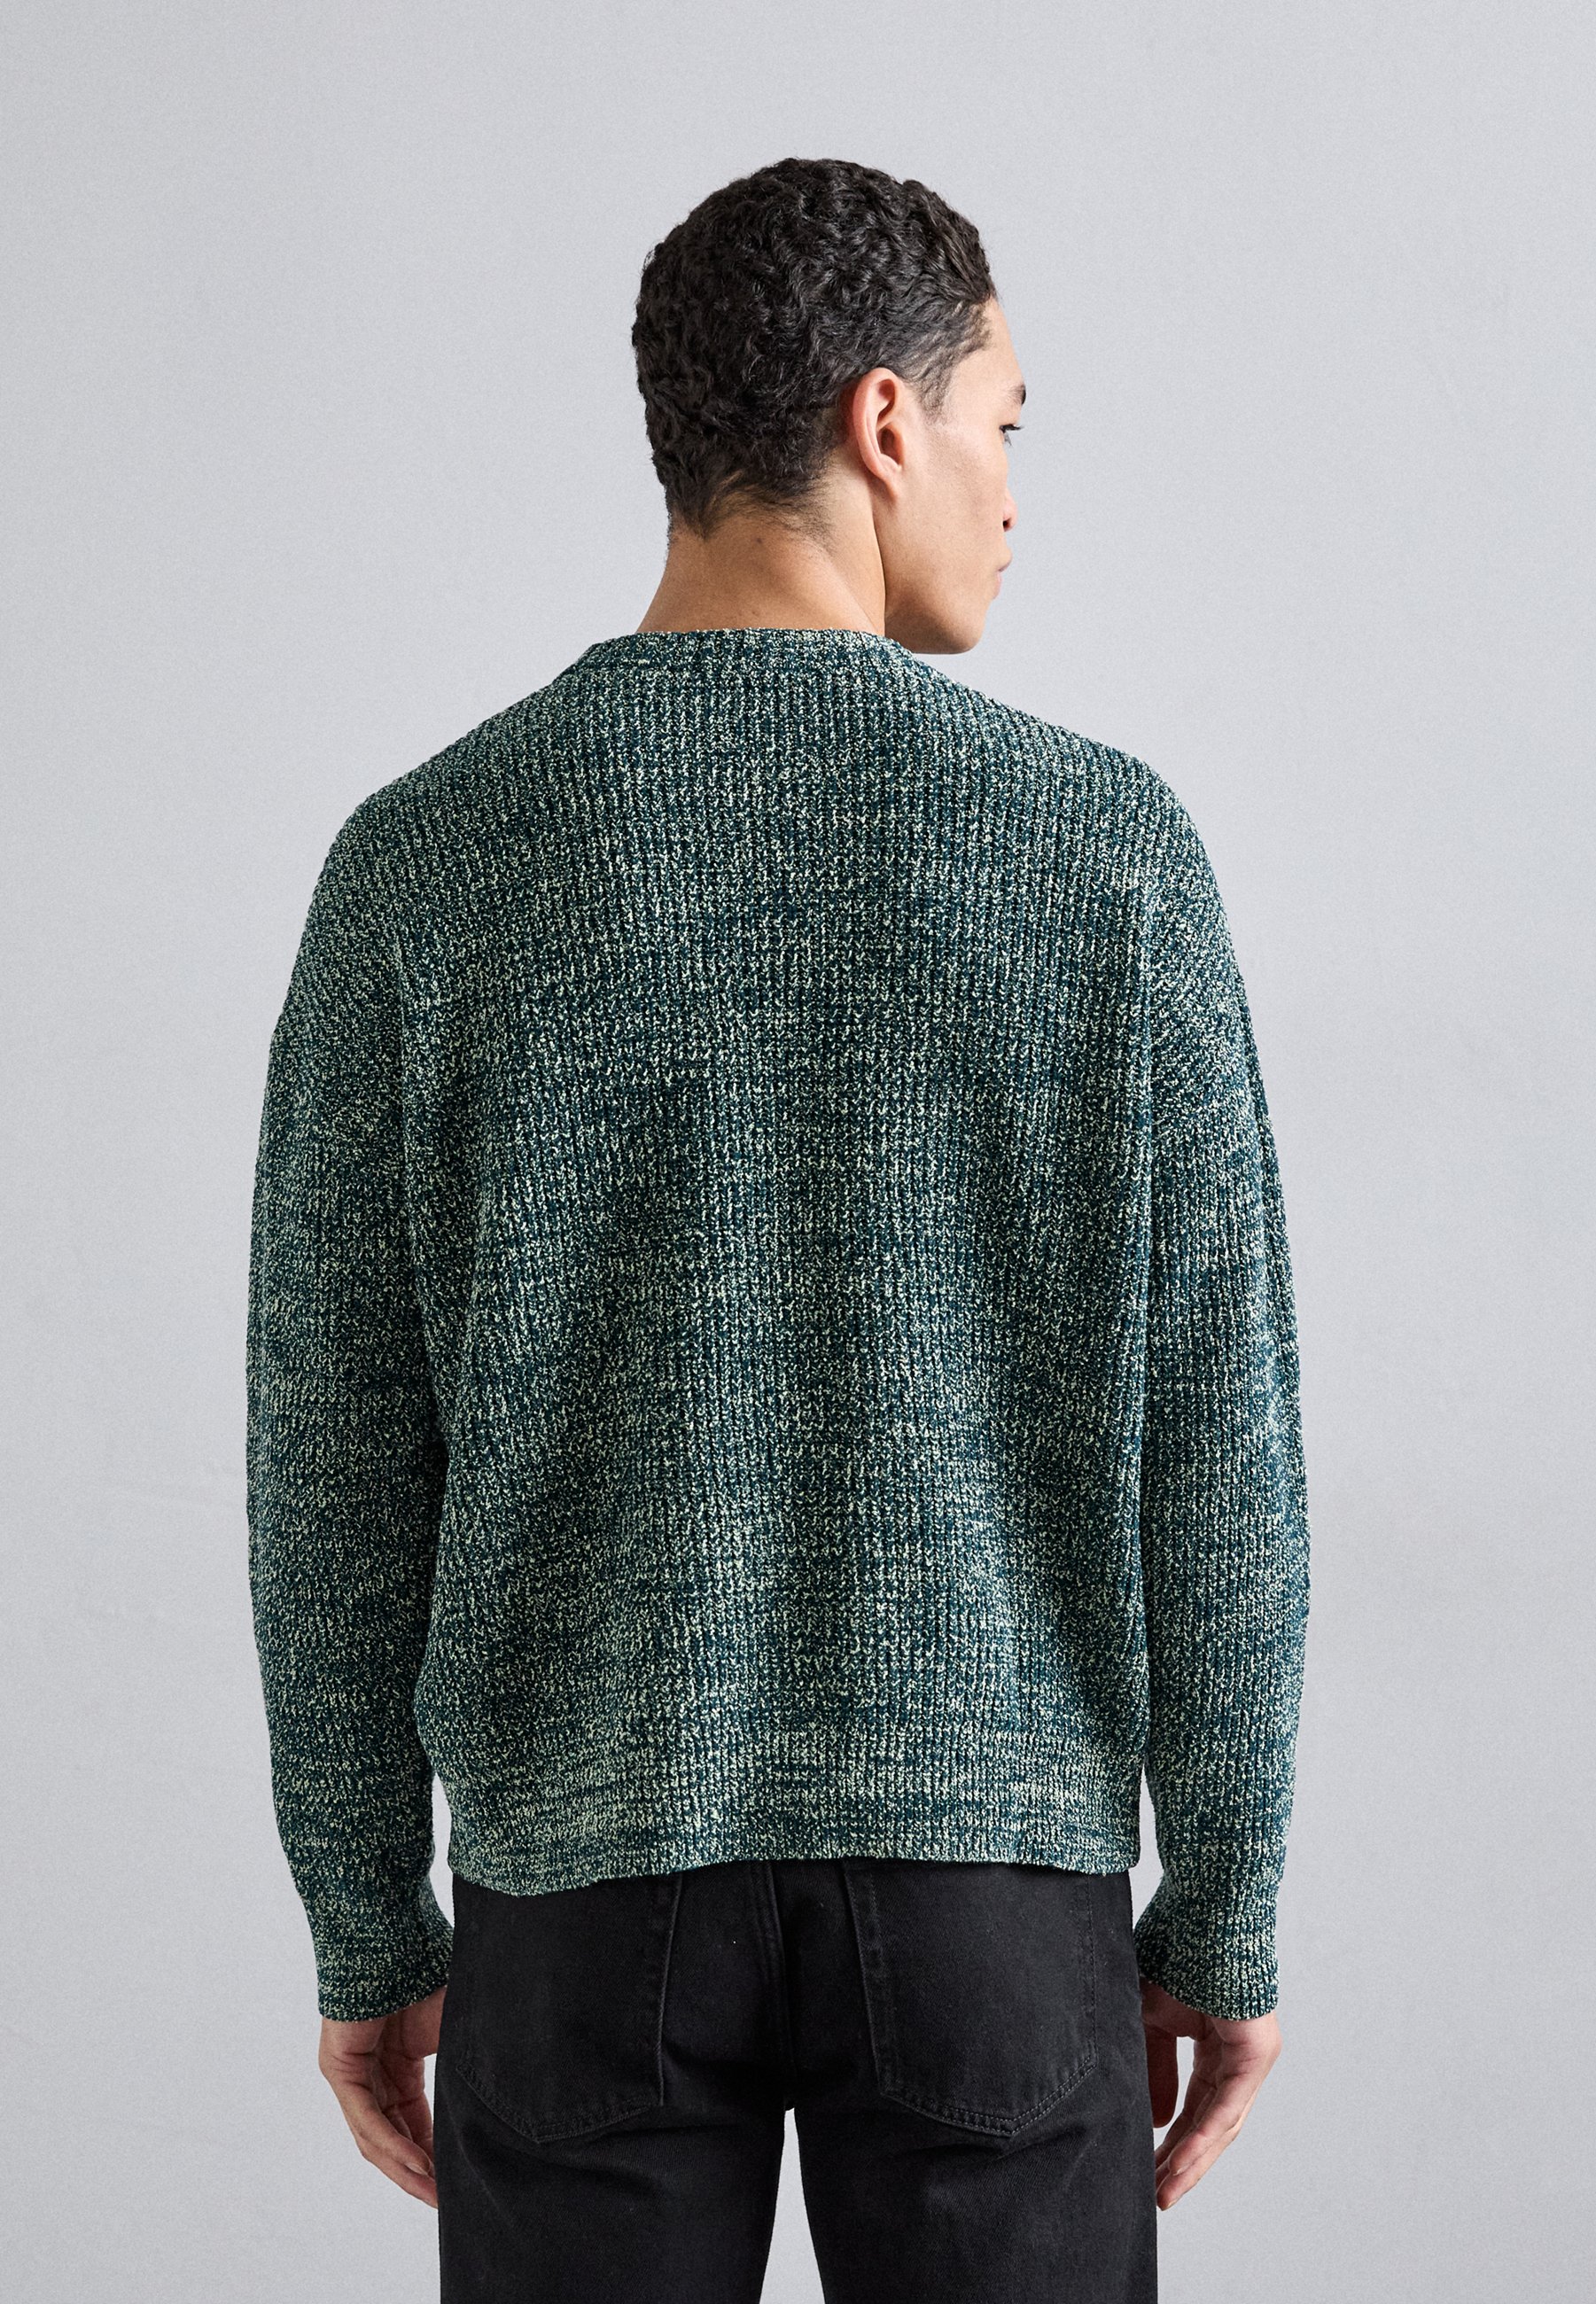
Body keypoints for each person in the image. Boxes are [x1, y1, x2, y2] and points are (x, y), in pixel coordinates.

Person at [246, 156, 1310, 2302]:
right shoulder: (1105, 854)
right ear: (882, 420)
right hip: (993, 1897)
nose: (1012, 492)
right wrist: (1223, 1915)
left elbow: (333, 1459)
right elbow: (1220, 1445)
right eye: (1004, 423)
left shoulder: (422, 867)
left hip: (579, 1900)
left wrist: (369, 1924)